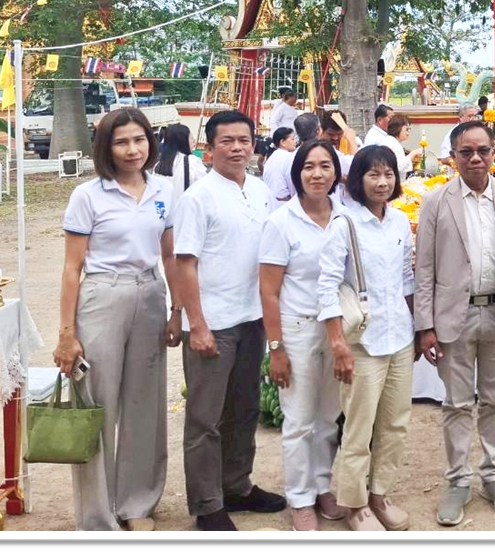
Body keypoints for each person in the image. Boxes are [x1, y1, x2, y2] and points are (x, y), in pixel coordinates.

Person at [54, 108, 180, 531]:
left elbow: (169, 255)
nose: (133, 150)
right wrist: (67, 334)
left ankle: (137, 503)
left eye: (139, 140)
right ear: (106, 148)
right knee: (98, 403)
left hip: (150, 296)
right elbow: (72, 268)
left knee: (146, 402)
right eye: (122, 142)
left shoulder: (164, 190)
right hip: (103, 295)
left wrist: (176, 309)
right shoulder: (89, 195)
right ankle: (98, 514)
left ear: (151, 142)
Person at [414, 121, 495, 526]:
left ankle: (494, 476)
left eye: (482, 150)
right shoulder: (436, 202)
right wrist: (425, 325)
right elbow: (425, 269)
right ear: (453, 156)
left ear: (493, 153)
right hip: (455, 317)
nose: (475, 158)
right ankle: (457, 481)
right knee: (455, 404)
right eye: (466, 152)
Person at [172, 109, 285, 531]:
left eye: (244, 140)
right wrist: (195, 323)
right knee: (205, 416)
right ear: (209, 148)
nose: (237, 148)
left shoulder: (259, 191)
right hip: (213, 322)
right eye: (227, 141)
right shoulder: (197, 197)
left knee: (245, 408)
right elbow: (185, 264)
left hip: (252, 317)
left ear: (254, 145)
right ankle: (207, 503)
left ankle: (237, 485)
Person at [317, 145, 416, 532]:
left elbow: (406, 279)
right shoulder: (344, 224)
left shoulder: (399, 223)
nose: (382, 182)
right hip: (363, 342)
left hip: (399, 338)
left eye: (388, 174)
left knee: (395, 424)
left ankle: (380, 494)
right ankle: (355, 504)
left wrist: (417, 327)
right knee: (359, 427)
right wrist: (337, 343)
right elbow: (326, 286)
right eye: (373, 174)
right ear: (358, 180)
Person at [258, 140, 348, 531]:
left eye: (325, 166)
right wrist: (276, 347)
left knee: (329, 416)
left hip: (337, 331)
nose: (317, 174)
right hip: (296, 328)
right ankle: (299, 498)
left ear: (335, 173)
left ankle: (322, 486)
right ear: (297, 174)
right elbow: (268, 290)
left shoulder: (345, 216)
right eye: (308, 166)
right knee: (298, 419)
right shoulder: (281, 222)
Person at [156, 123, 207, 202]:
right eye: (191, 137)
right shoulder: (193, 161)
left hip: (164, 212)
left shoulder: (158, 165)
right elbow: (205, 189)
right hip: (185, 211)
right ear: (183, 140)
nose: (194, 141)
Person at [379, 113, 423, 178]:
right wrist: (412, 154)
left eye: (409, 129)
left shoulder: (391, 141)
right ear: (398, 128)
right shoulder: (393, 143)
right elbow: (399, 166)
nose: (408, 132)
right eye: (406, 129)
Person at [438, 103, 480, 168]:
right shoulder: (453, 134)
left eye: (475, 116)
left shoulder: (480, 132)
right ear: (461, 117)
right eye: (470, 116)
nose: (474, 119)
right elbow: (444, 158)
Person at [262, 127, 298, 203]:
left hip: (269, 200)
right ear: (283, 142)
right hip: (283, 201)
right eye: (292, 139)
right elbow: (292, 182)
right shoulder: (288, 157)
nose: (295, 142)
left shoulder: (272, 156)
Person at [321, 112, 356, 179]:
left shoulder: (353, 141)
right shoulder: (319, 149)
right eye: (330, 134)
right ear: (321, 131)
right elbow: (356, 164)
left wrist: (351, 141)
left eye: (339, 134)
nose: (335, 138)